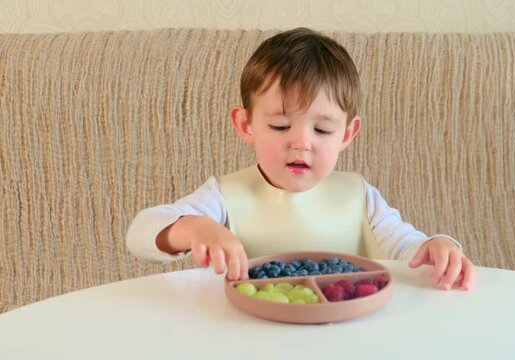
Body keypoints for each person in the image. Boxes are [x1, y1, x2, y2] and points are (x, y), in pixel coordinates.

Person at [126, 27, 475, 290]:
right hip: (247, 337)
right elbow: (140, 233)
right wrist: (193, 227)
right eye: (279, 125)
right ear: (246, 125)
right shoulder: (223, 198)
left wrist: (435, 245)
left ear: (347, 135)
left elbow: (404, 245)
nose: (302, 143)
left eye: (322, 130)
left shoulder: (359, 196)